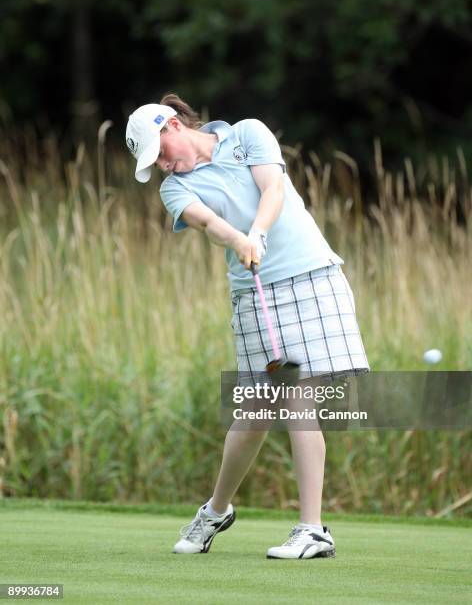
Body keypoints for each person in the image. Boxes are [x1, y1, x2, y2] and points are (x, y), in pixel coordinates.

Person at [125, 93, 370, 559]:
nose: (163, 168)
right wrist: (239, 239)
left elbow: (273, 190)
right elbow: (209, 222)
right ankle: (216, 511)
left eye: (160, 155)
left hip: (312, 278)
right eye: (153, 165)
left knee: (299, 400)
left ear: (173, 125)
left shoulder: (247, 134)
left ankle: (313, 529)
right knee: (254, 415)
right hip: (255, 296)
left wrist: (256, 233)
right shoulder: (173, 189)